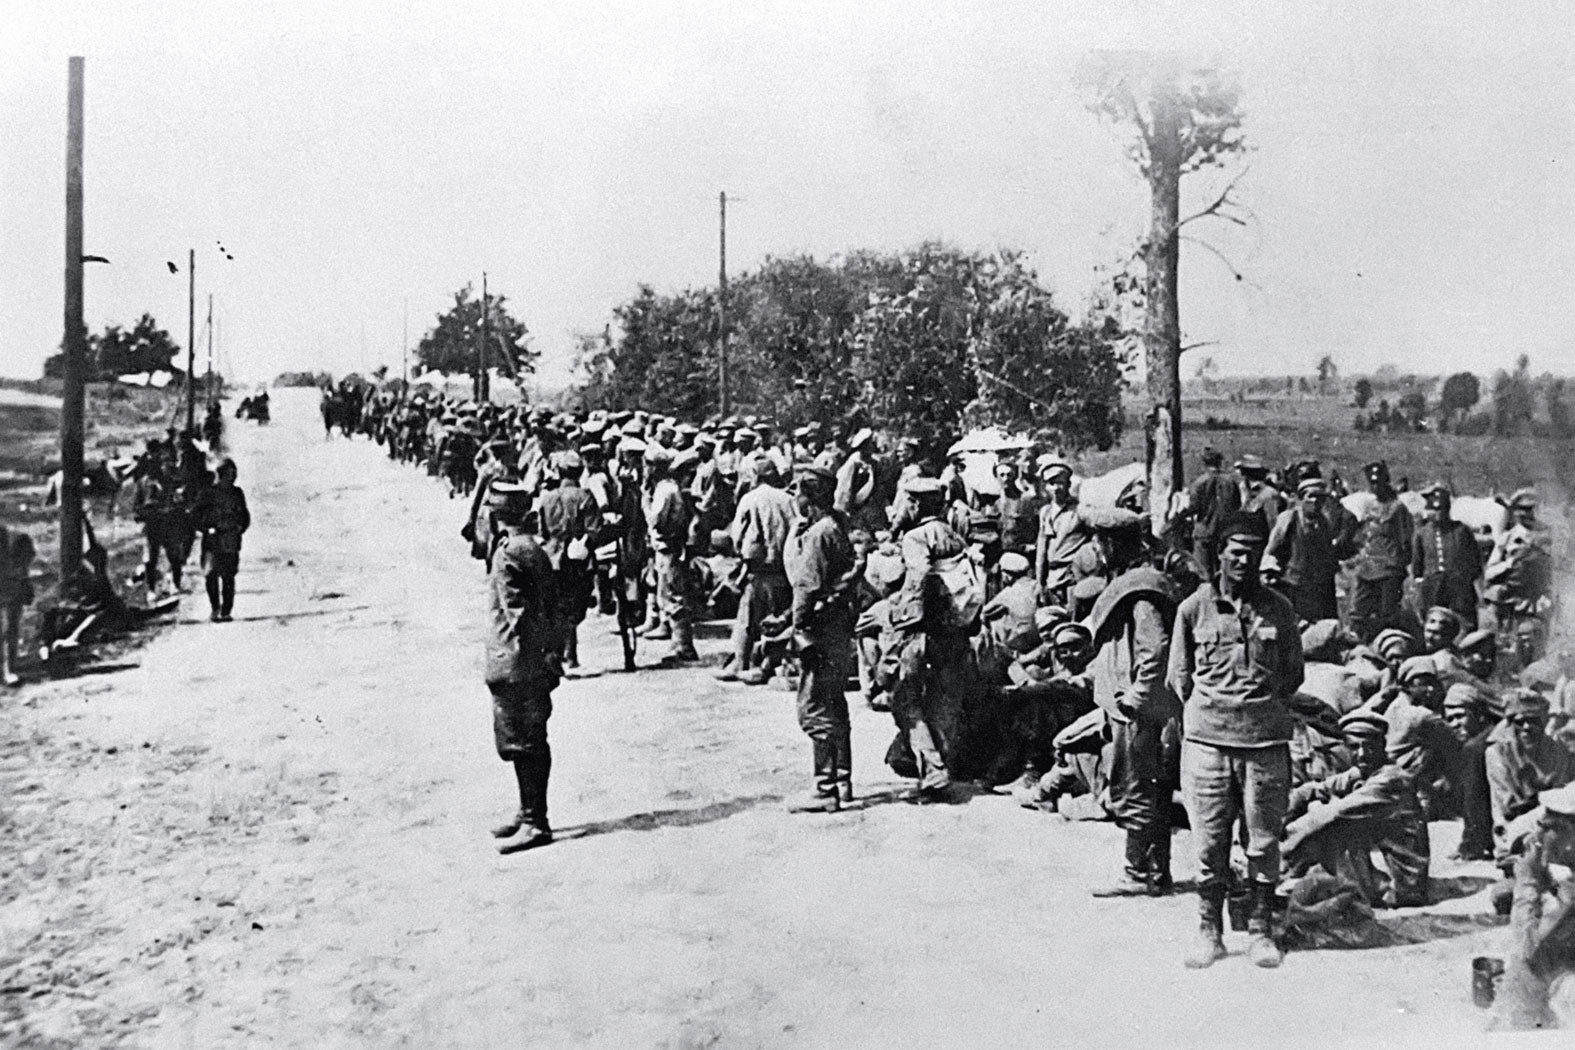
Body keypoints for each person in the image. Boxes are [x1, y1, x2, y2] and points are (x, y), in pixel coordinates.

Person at [1169, 510, 1304, 969]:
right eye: (1236, 550)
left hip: (1265, 744)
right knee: (1209, 844)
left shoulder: (1280, 610)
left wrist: (1257, 707)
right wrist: (1215, 712)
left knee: (1263, 842)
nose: (1244, 559)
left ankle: (1261, 931)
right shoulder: (1193, 608)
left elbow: (1292, 675)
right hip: (1207, 744)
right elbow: (1179, 679)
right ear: (1220, 554)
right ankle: (1210, 931)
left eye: (1252, 550)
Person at [1085, 507, 1181, 899]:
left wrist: (1135, 697)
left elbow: (1155, 648)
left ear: (1112, 544)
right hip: (1135, 703)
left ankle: (1135, 872)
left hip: (1139, 708)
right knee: (1150, 787)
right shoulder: (1131, 582)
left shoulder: (1141, 591)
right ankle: (1157, 872)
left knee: (1135, 786)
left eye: (1100, 542)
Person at [1282, 709, 1431, 909]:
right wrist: (1284, 814)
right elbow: (1313, 789)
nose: (1362, 754)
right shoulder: (1363, 772)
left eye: (1370, 747)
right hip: (1392, 876)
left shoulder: (1390, 779)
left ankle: (1284, 874)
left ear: (1383, 746)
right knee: (1322, 806)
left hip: (1405, 886)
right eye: (1354, 747)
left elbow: (1333, 814)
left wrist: (1280, 849)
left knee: (1335, 823)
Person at [485, 483, 561, 854]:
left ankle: (535, 821)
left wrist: (530, 660)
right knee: (521, 740)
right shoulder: (528, 548)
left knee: (525, 740)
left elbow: (523, 616)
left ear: (497, 512)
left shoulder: (512, 552)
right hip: (524, 660)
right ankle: (527, 810)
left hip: (517, 662)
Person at [888, 476, 971, 802]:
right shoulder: (954, 536)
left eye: (909, 501)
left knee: (905, 701)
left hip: (924, 630)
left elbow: (918, 578)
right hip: (956, 630)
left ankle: (934, 771)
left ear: (918, 504)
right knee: (943, 700)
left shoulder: (916, 537)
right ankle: (939, 769)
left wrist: (904, 619)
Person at [781, 464, 858, 812]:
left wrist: (795, 627)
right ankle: (842, 779)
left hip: (821, 630)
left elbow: (806, 588)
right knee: (835, 702)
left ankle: (825, 787)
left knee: (814, 708)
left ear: (807, 497)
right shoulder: (836, 526)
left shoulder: (817, 535)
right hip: (839, 627)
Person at [718, 458, 796, 684]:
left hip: (758, 568)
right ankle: (775, 663)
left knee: (748, 617)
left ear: (756, 476)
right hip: (783, 568)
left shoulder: (749, 499)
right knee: (781, 616)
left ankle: (742, 663)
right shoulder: (788, 500)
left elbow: (737, 535)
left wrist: (741, 554)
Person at [1486, 689, 1575, 860]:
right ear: (1510, 724)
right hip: (1514, 831)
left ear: (1544, 722)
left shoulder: (1557, 750)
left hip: (1554, 826)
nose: (1526, 728)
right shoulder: (1498, 753)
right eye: (1520, 722)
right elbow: (1510, 806)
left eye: (1534, 721)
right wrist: (1549, 798)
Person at [1350, 460, 1413, 643]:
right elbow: (1363, 537)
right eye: (1372, 483)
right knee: (1358, 613)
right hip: (1367, 568)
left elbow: (1406, 541)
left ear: (1387, 482)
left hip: (1388, 569)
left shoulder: (1398, 508)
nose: (1375, 487)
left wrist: (1400, 568)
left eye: (1379, 482)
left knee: (1387, 615)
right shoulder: (1371, 506)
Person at [1263, 475, 1340, 623]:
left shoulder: (1324, 523)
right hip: (1290, 583)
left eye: (1320, 497)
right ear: (1302, 497)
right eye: (1311, 496)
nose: (1315, 501)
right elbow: (1273, 547)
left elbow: (1327, 554)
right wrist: (1268, 572)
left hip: (1313, 585)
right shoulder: (1289, 518)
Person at [1410, 483, 1483, 631]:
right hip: (1432, 585)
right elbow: (1417, 563)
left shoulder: (1461, 530)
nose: (1438, 514)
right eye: (1434, 510)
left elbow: (1474, 559)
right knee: (1433, 621)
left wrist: (1467, 578)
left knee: (1464, 620)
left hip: (1459, 585)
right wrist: (1421, 583)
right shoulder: (1422, 533)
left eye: (1442, 509)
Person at [192, 458, 251, 622]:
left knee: (228, 576)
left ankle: (226, 610)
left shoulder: (237, 493)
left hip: (230, 540)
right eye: (229, 474)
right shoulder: (208, 493)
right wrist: (205, 528)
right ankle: (215, 608)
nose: (232, 477)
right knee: (210, 574)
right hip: (212, 540)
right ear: (221, 475)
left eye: (234, 474)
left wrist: (240, 528)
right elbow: (195, 515)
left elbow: (245, 516)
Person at [1187, 446, 1240, 581]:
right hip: (1225, 531)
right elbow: (1237, 506)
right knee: (1226, 571)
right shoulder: (1231, 482)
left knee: (1203, 573)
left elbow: (1193, 507)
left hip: (1204, 532)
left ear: (1204, 463)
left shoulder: (1199, 483)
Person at [1, 525, 36, 687]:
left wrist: (23, 581)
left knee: (10, 627)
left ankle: (9, 668)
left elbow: (25, 564)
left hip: (12, 585)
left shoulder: (18, 539)